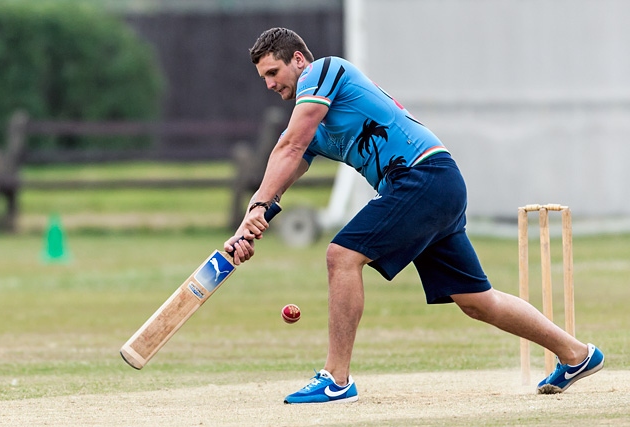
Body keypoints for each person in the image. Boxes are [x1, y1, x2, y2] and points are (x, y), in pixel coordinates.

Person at [224, 27, 604, 404]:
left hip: (423, 176)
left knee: (341, 256)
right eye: (263, 79)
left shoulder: (323, 71)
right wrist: (251, 223)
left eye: (273, 73)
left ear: (298, 60)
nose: (270, 85)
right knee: (476, 301)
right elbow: (288, 164)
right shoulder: (316, 124)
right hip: (433, 185)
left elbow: (290, 145)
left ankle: (336, 380)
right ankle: (577, 355)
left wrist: (256, 208)